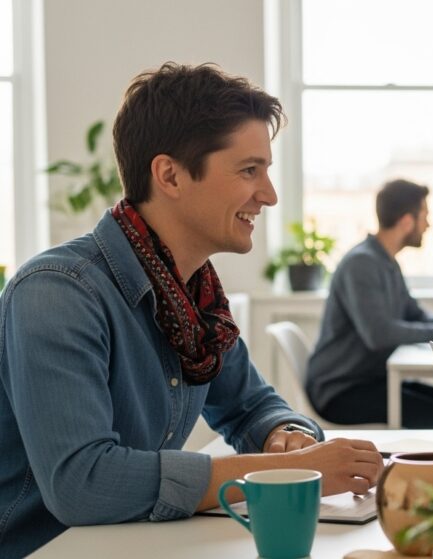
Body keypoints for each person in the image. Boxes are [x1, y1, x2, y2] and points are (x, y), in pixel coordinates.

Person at [0, 63, 385, 558]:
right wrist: (286, 471)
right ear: (170, 175)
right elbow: (84, 483)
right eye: (249, 170)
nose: (269, 195)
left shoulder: (194, 298)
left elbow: (252, 406)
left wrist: (285, 436)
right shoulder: (58, 293)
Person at [306, 179, 433, 428]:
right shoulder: (361, 264)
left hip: (372, 379)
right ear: (407, 221)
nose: (427, 225)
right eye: (425, 216)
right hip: (341, 389)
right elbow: (379, 334)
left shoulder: (386, 262)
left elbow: (415, 313)